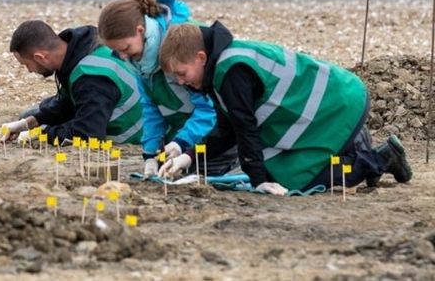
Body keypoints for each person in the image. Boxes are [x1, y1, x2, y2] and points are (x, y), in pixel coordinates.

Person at [157, 21, 412, 195]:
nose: (180, 82)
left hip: (339, 104)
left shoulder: (231, 71)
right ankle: (355, 147)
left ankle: (381, 159)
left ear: (201, 58)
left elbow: (245, 130)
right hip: (330, 105)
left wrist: (259, 182)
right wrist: (188, 157)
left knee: (295, 180)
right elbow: (227, 131)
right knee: (276, 170)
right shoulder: (219, 67)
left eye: (182, 73)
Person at [97, 0, 234, 179]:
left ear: (140, 30)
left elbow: (209, 109)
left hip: (221, 132)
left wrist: (181, 143)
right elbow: (151, 107)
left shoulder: (180, 51)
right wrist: (150, 153)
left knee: (208, 172)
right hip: (186, 131)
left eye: (125, 48)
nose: (122, 57)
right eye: (117, 51)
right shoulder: (140, 61)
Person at [0, 20, 146, 145]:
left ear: (40, 57)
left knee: (41, 118)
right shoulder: (79, 48)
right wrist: (30, 123)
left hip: (133, 132)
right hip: (104, 109)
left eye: (26, 64)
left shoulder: (92, 77)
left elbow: (88, 133)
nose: (29, 71)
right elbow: (68, 103)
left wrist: (43, 133)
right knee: (30, 114)